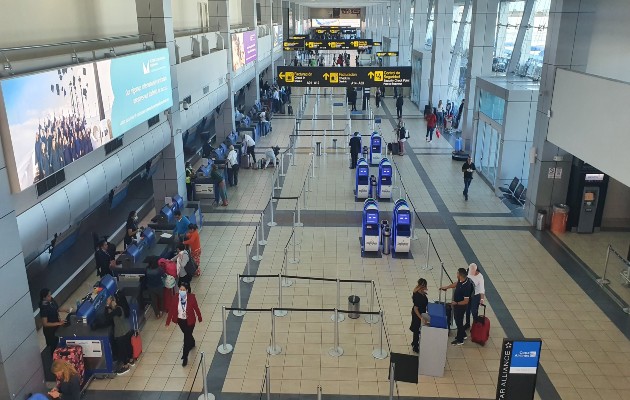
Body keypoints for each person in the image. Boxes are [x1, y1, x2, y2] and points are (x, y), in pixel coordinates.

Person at [166, 282, 202, 367]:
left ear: (187, 290)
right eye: (180, 289)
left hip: (190, 321)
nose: (181, 291)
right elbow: (171, 310)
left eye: (183, 290)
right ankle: (192, 342)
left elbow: (196, 308)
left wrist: (199, 317)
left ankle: (185, 356)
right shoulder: (175, 298)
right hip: (180, 321)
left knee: (186, 338)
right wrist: (167, 322)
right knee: (187, 334)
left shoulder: (192, 298)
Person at [440, 268, 473, 346]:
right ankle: (463, 334)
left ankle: (460, 340)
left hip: (460, 307)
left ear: (460, 275)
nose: (456, 275)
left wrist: (456, 303)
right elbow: (456, 283)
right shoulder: (463, 280)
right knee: (458, 321)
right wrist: (447, 287)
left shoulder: (466, 287)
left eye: (457, 273)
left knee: (459, 322)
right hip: (457, 305)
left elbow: (466, 301)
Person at [105, 296, 133, 374]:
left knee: (122, 350)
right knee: (128, 346)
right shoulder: (119, 308)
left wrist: (107, 306)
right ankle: (131, 360)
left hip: (121, 333)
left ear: (113, 302)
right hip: (127, 330)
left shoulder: (116, 310)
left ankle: (125, 366)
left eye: (109, 302)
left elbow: (107, 317)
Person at [39, 289, 70, 356]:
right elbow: (45, 323)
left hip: (56, 327)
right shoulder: (43, 308)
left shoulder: (51, 300)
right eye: (48, 296)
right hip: (50, 331)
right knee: (54, 347)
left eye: (50, 295)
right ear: (44, 298)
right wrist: (59, 323)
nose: (51, 297)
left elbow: (56, 308)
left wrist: (64, 310)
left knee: (59, 342)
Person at [409, 278, 430, 353]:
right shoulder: (418, 296)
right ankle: (415, 346)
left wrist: (424, 293)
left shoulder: (418, 291)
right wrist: (421, 318)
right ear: (422, 286)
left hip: (420, 313)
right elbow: (415, 309)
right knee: (416, 330)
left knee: (417, 329)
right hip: (417, 315)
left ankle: (414, 343)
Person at [465, 263, 485, 330]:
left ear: (476, 270)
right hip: (469, 294)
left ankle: (475, 324)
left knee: (474, 311)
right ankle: (467, 324)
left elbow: (482, 289)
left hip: (476, 295)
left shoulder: (480, 277)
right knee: (467, 310)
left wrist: (482, 299)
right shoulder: (468, 272)